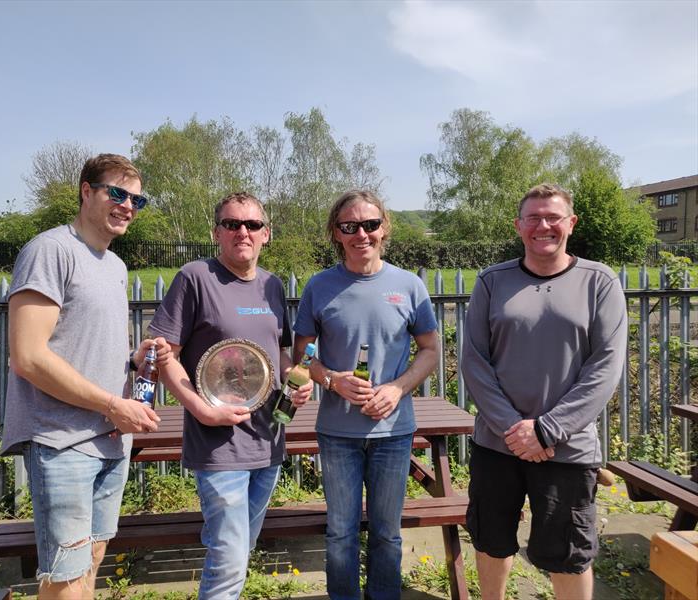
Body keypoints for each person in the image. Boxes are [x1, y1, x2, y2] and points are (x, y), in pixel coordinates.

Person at [1, 154, 162, 599]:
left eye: (137, 198)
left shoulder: (114, 265)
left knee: (88, 565)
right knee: (66, 576)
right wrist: (113, 404)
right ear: (86, 191)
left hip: (109, 439)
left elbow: (81, 347)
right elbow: (28, 357)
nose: (128, 204)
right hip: (62, 440)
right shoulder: (49, 250)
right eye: (117, 193)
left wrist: (135, 359)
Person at [461, 183, 627, 600]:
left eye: (553, 217)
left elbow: (605, 367)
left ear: (570, 223)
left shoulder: (600, 282)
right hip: (497, 445)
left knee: (568, 554)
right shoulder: (491, 281)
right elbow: (475, 363)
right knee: (490, 540)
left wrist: (547, 430)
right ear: (519, 226)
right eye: (533, 218)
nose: (543, 226)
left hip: (567, 449)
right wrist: (515, 429)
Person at [148, 192, 312, 599]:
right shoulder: (195, 277)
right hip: (218, 446)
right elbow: (162, 353)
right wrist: (202, 411)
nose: (243, 231)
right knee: (229, 558)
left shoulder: (271, 285)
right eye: (232, 224)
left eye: (252, 225)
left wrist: (297, 380)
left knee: (239, 548)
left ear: (266, 234)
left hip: (268, 439)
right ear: (216, 232)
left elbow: (281, 352)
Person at [293, 190, 439, 600]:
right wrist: (333, 380)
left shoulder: (408, 286)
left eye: (370, 224)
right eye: (350, 226)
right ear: (336, 233)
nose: (362, 233)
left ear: (384, 228)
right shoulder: (320, 287)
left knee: (387, 535)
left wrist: (396, 388)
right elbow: (301, 357)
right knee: (340, 533)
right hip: (337, 433)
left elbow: (430, 349)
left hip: (393, 433)